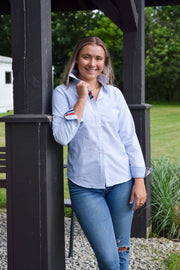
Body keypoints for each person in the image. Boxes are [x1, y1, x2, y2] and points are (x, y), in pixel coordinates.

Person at [52, 36, 151, 270]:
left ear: (104, 62)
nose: (92, 63)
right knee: (108, 258)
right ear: (77, 58)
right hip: (85, 187)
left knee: (121, 252)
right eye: (87, 56)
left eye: (98, 58)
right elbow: (62, 136)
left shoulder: (114, 95)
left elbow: (129, 139)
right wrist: (82, 99)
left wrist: (139, 180)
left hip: (122, 183)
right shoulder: (62, 93)